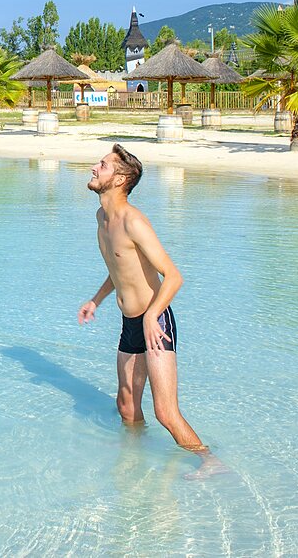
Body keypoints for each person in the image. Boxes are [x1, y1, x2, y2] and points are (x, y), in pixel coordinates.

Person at [77, 145, 222, 478]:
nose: (93, 168)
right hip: (132, 322)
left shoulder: (133, 221)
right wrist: (96, 300)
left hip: (155, 322)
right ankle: (135, 458)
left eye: (102, 165)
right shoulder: (102, 217)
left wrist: (150, 316)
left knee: (165, 412)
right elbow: (120, 268)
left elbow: (173, 276)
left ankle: (211, 462)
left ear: (121, 178)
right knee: (126, 405)